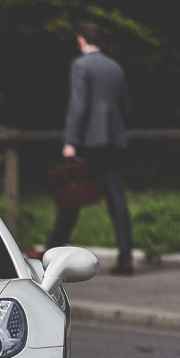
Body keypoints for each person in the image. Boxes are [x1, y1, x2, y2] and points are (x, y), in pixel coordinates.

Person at [47, 22, 134, 275]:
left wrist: (70, 142)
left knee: (72, 193)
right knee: (116, 197)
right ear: (102, 42)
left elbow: (78, 106)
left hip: (89, 140)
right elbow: (126, 106)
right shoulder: (115, 67)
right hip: (114, 139)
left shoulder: (80, 65)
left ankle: (52, 250)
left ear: (81, 41)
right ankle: (126, 256)